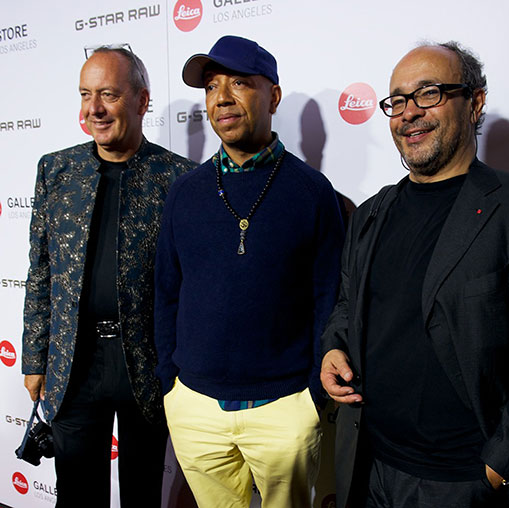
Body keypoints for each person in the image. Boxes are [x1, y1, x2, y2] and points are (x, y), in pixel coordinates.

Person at [320, 41, 509, 508]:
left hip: (464, 481)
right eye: (397, 100)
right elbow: (348, 304)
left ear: (475, 102)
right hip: (371, 468)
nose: (409, 112)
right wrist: (333, 346)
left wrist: (500, 463)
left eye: (429, 93)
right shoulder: (370, 214)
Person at [154, 35, 344, 508]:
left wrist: (310, 400)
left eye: (238, 82)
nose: (221, 97)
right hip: (195, 406)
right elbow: (166, 292)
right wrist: (171, 384)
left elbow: (329, 297)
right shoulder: (184, 192)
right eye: (211, 86)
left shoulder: (313, 192)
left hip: (285, 407)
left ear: (273, 96)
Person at [22, 45, 195, 508]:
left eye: (108, 95)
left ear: (142, 100)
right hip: (73, 363)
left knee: (143, 493)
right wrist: (34, 359)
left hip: (148, 364)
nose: (93, 109)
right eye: (86, 94)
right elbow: (40, 271)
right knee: (77, 495)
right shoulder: (56, 170)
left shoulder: (179, 179)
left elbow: (190, 285)